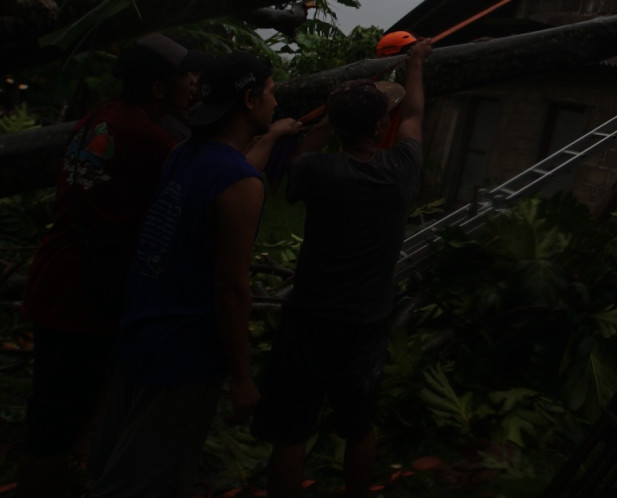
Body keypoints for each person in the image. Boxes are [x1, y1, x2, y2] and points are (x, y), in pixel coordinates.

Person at [89, 53, 298, 498]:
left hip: (141, 334)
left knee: (120, 466)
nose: (275, 101)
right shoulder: (240, 183)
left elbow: (231, 173)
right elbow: (230, 288)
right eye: (272, 90)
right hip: (183, 356)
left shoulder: (184, 155)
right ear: (248, 98)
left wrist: (276, 137)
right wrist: (241, 374)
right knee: (144, 482)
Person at [17, 33, 205, 497]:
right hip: (83, 295)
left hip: (59, 281)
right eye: (186, 76)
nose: (194, 83)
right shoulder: (150, 138)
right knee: (60, 416)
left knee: (56, 408)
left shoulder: (96, 119)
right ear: (159, 89)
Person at [252, 37, 432, 498]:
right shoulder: (399, 171)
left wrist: (328, 119)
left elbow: (303, 153)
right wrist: (414, 64)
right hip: (365, 319)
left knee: (291, 431)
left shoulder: (316, 171)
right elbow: (412, 115)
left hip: (308, 314)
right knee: (359, 425)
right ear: (379, 128)